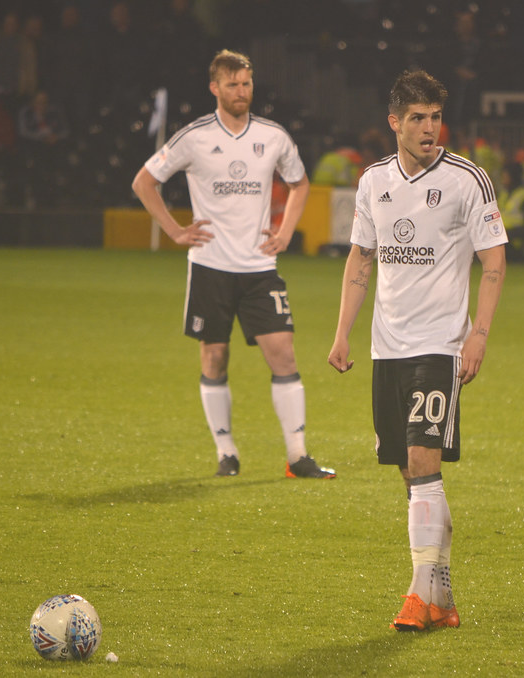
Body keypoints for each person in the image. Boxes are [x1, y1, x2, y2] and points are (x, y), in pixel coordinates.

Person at [327, 70, 507, 632]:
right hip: (388, 348)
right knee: (410, 472)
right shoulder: (373, 181)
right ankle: (443, 595)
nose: (430, 128)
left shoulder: (466, 180)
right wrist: (342, 333)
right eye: (418, 119)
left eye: (435, 117)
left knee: (424, 463)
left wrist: (477, 334)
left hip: (439, 346)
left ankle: (415, 595)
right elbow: (361, 259)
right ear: (395, 123)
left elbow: (495, 259)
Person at [131, 49, 335, 480]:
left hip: (259, 268)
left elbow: (300, 184)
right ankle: (226, 452)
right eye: (232, 85)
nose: (241, 92)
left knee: (283, 352)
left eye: (246, 84)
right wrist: (175, 231)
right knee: (215, 357)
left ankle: (297, 457)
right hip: (210, 266)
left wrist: (283, 233)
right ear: (215, 88)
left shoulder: (273, 136)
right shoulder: (194, 137)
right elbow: (144, 181)